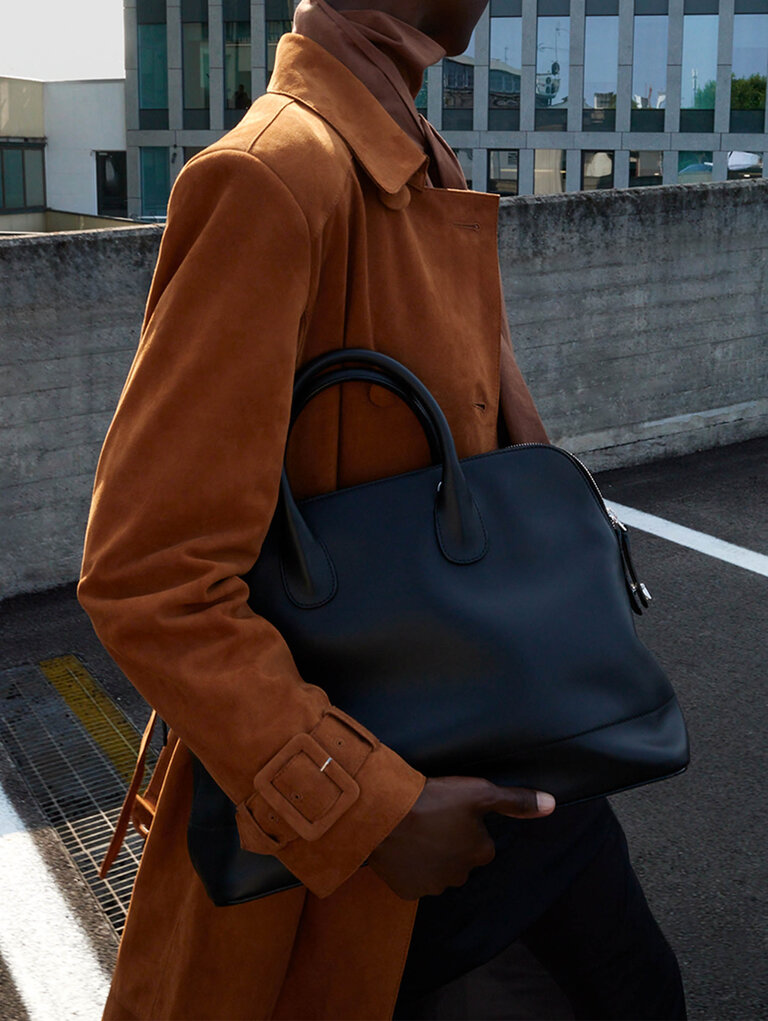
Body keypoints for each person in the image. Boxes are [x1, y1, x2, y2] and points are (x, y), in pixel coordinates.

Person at [78, 1, 687, 1018]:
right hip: (390, 827)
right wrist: (366, 808)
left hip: (509, 748)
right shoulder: (275, 174)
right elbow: (150, 573)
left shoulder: (411, 154)